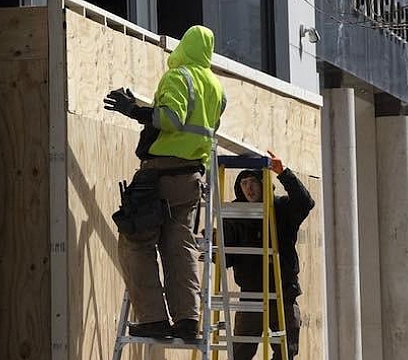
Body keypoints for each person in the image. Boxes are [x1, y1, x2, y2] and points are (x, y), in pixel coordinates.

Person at [103, 25, 226, 340]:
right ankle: (188, 321)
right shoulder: (215, 87)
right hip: (190, 178)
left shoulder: (179, 76)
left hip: (161, 175)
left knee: (136, 242)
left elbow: (171, 119)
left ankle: (154, 319)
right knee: (179, 249)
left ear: (184, 46)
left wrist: (134, 110)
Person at [222, 150, 315, 360]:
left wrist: (283, 172)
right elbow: (228, 257)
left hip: (283, 295)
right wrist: (215, 247)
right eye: (244, 183)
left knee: (285, 353)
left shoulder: (282, 208)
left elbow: (305, 202)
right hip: (251, 295)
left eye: (253, 181)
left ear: (264, 182)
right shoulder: (236, 214)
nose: (248, 188)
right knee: (240, 354)